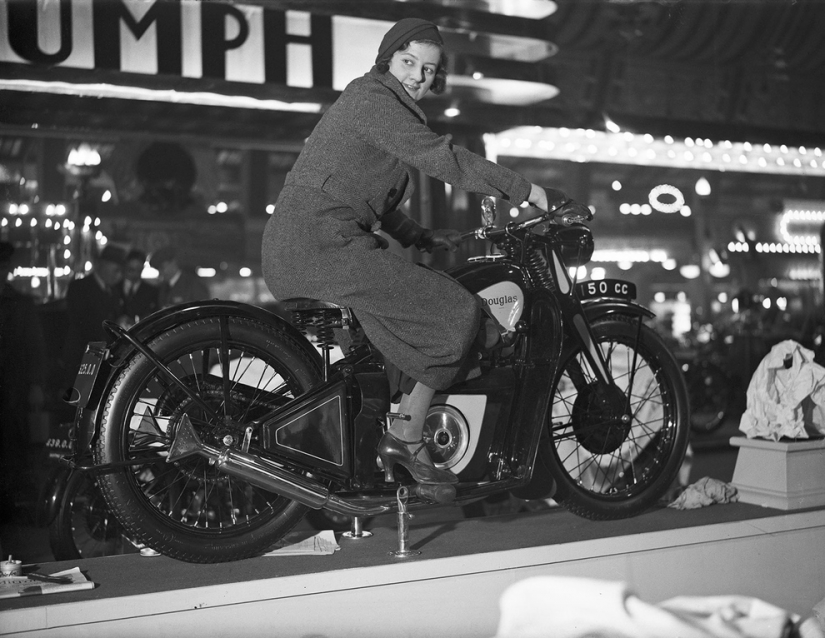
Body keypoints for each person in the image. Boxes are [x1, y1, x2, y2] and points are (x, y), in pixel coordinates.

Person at [261, 18, 562, 489]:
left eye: (428, 69)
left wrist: (420, 236)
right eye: (408, 62)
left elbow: (355, 192)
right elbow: (446, 158)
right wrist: (530, 191)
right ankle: (407, 435)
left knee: (382, 349)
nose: (417, 76)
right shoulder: (373, 99)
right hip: (319, 246)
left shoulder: (380, 104)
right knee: (457, 311)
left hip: (310, 243)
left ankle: (361, 461)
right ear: (387, 59)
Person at [0, 242, 47, 515]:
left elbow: (35, 347)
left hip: (12, 388)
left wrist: (36, 386)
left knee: (11, 448)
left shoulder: (21, 304)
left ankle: (7, 502)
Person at [60, 244, 125, 393]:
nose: (118, 275)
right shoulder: (80, 287)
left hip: (105, 356)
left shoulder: (113, 291)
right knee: (81, 400)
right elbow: (81, 322)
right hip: (85, 354)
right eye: (115, 270)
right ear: (102, 266)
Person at [118, 248, 159, 325]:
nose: (135, 274)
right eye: (131, 270)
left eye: (139, 270)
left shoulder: (151, 291)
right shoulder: (114, 287)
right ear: (125, 266)